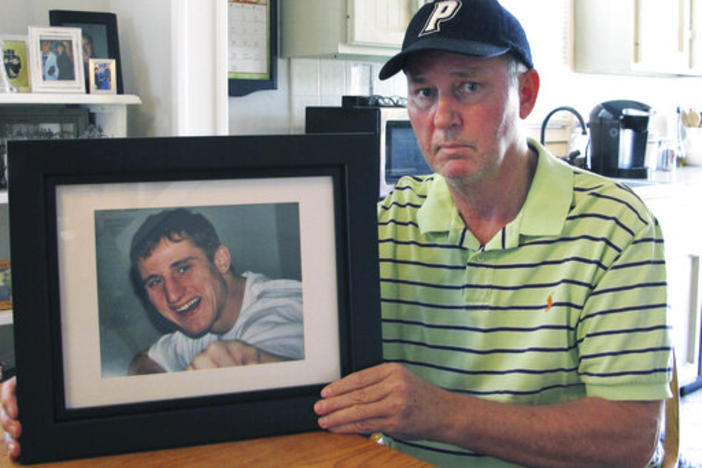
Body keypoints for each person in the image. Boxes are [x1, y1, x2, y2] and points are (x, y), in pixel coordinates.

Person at [2, 1, 672, 465]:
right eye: (422, 93)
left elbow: (628, 441)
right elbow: (268, 380)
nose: (440, 118)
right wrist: (58, 395)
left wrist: (441, 414)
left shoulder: (614, 227)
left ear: (525, 95)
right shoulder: (382, 225)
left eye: (468, 87)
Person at [125, 207, 304, 374]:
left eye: (182, 269)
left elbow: (289, 359)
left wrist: (254, 360)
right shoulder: (203, 321)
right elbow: (145, 361)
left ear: (220, 261)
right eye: (155, 281)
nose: (172, 295)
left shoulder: (281, 311)